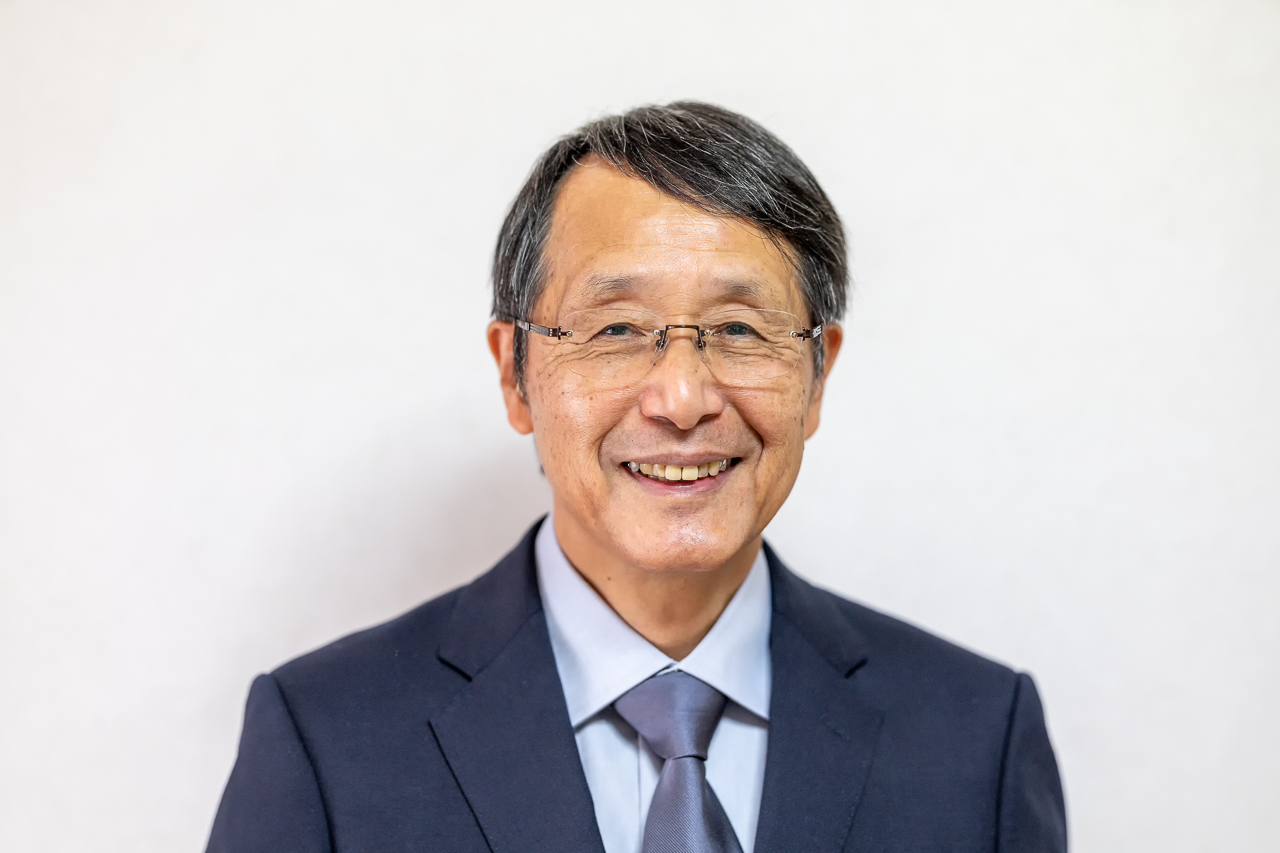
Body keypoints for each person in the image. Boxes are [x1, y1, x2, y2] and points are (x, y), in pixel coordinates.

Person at [206, 102, 1067, 853]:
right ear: (514, 374)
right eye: (616, 329)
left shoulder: (976, 740)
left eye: (739, 329)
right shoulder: (325, 740)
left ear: (817, 377)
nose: (683, 399)